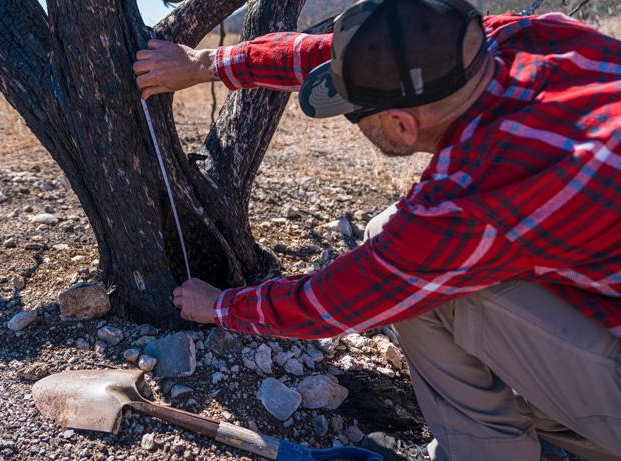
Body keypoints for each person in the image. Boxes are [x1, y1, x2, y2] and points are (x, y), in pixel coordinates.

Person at [134, 0, 620, 460]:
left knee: (434, 292)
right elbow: (344, 52)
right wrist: (207, 64)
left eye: (355, 112)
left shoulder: (471, 197)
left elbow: (333, 303)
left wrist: (218, 306)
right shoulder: (533, 39)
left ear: (402, 125)